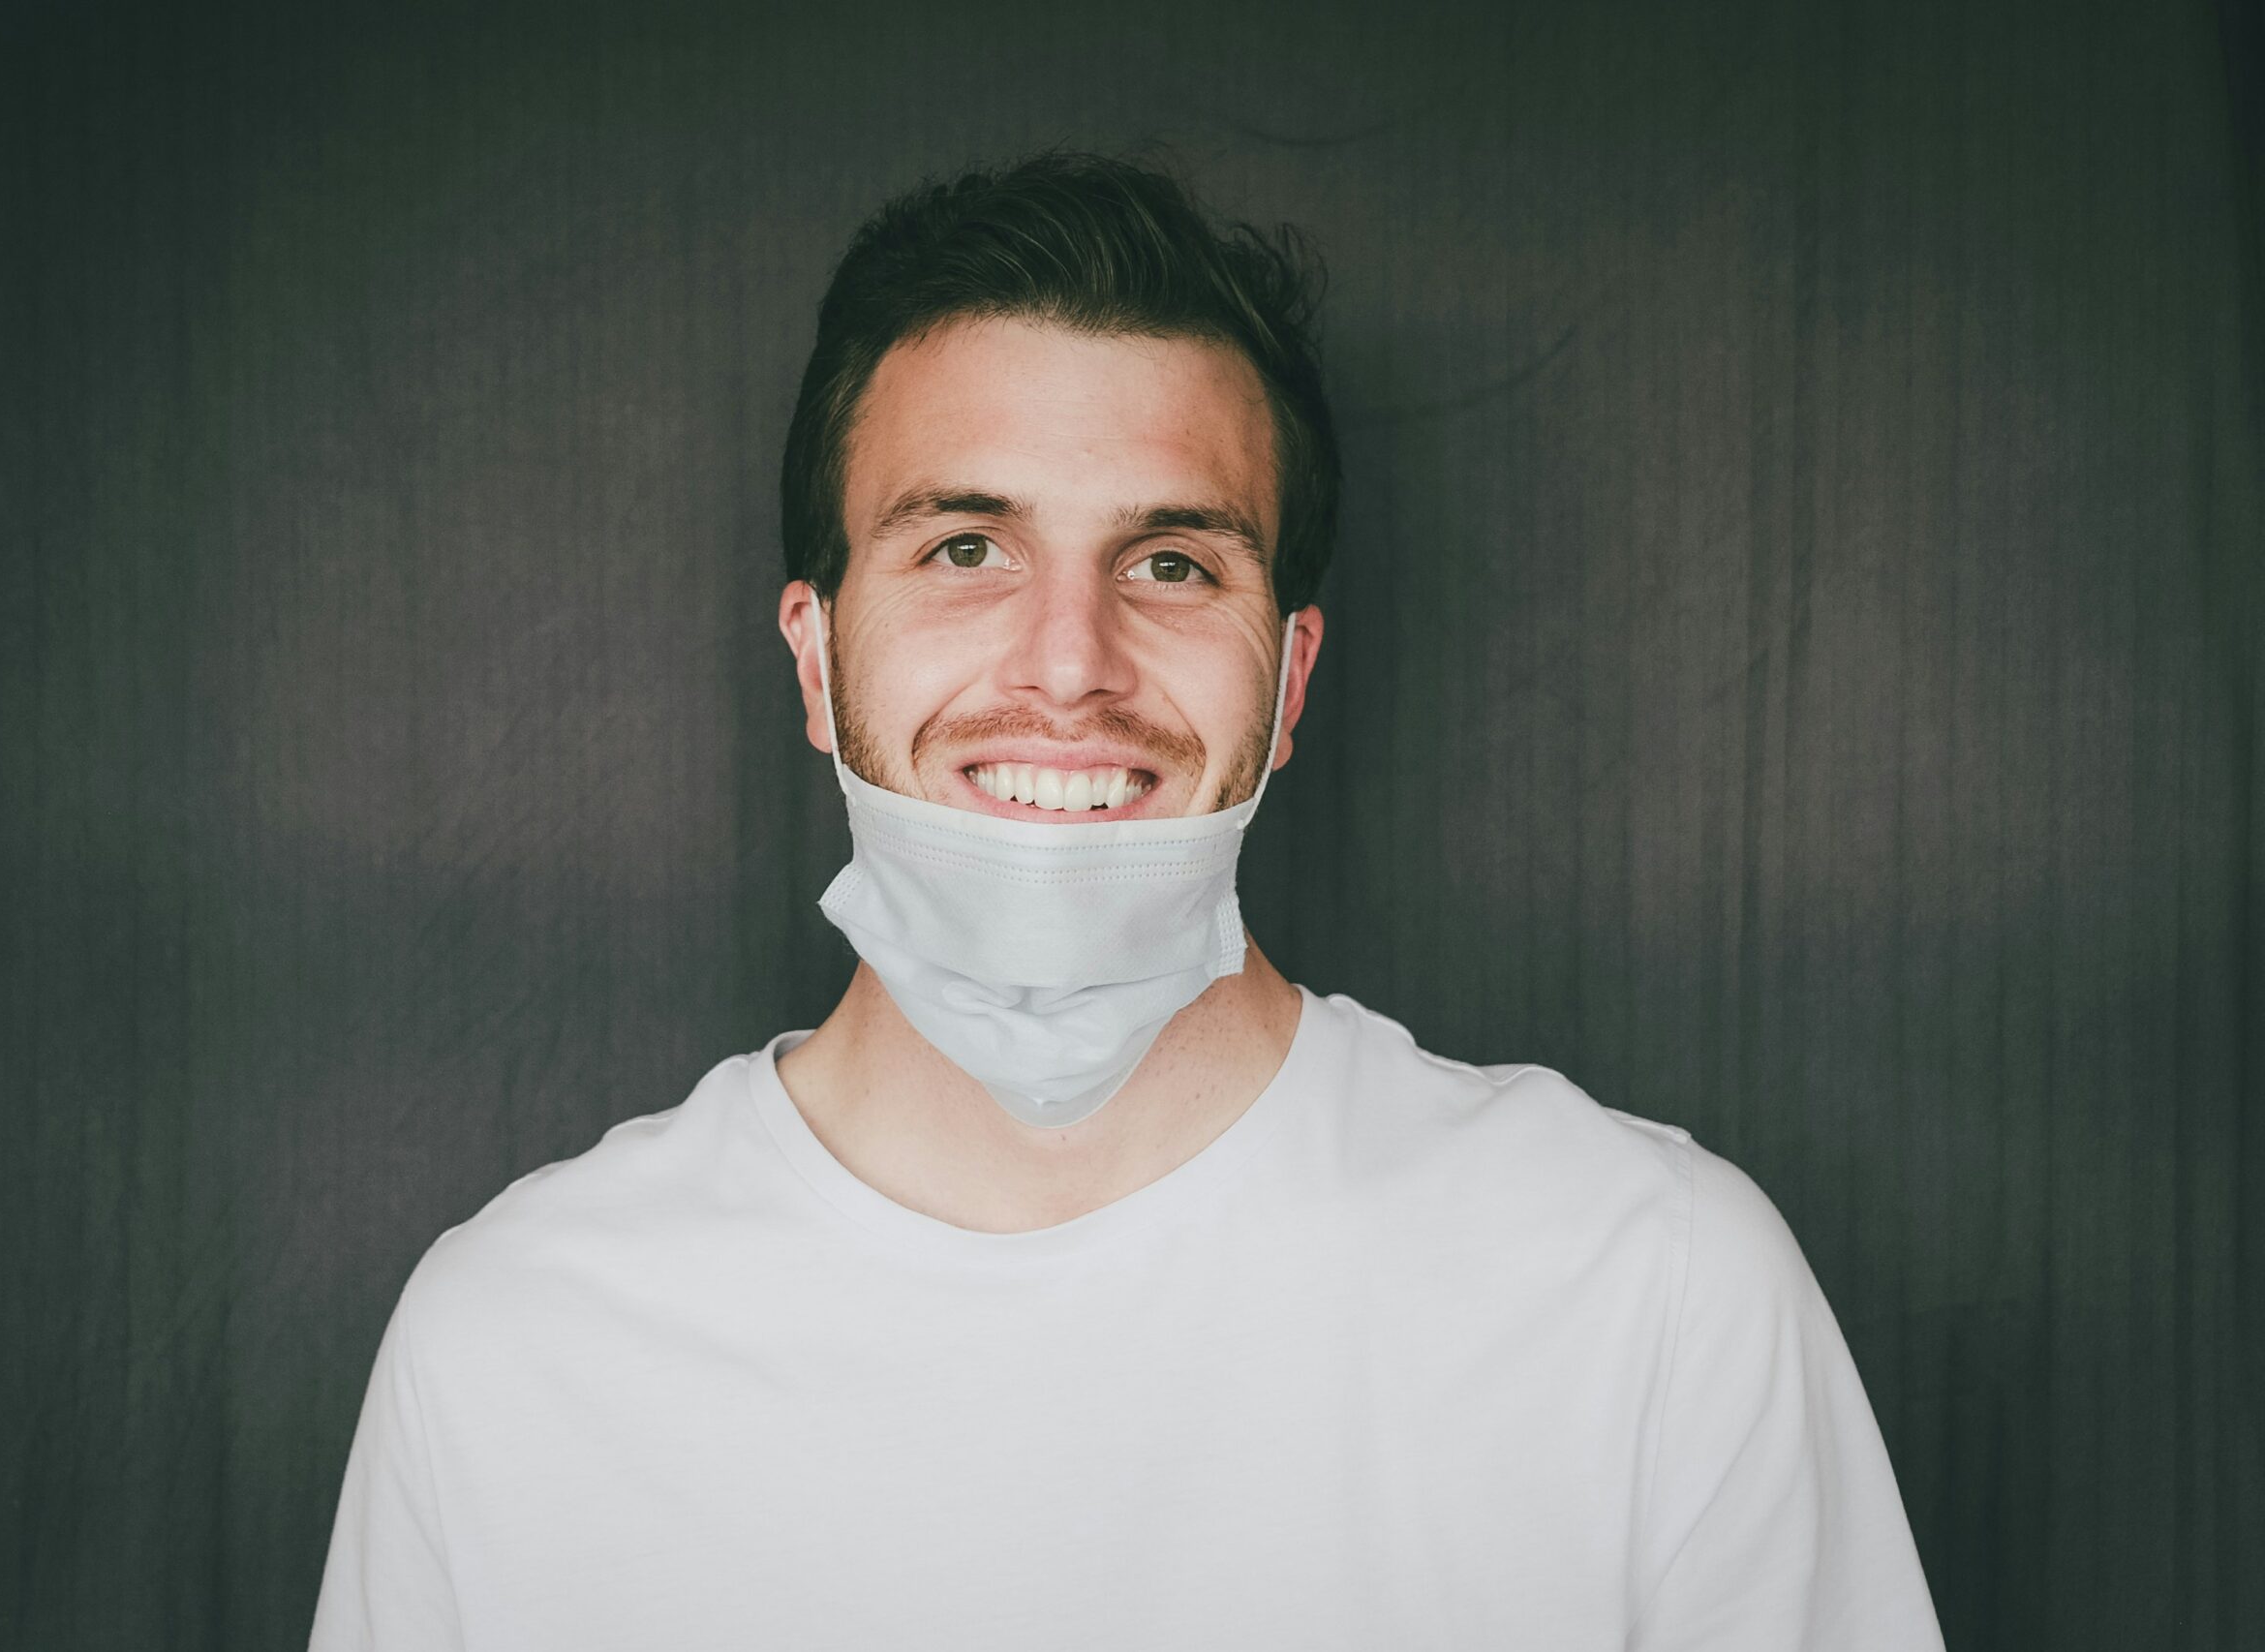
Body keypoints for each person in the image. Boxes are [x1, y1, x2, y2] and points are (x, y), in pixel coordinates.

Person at [310, 152, 1944, 1650]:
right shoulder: (512, 1348)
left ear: (1289, 681)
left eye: (1172, 563)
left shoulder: (1651, 1297)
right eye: (966, 549)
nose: (1069, 665)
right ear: (812, 656)